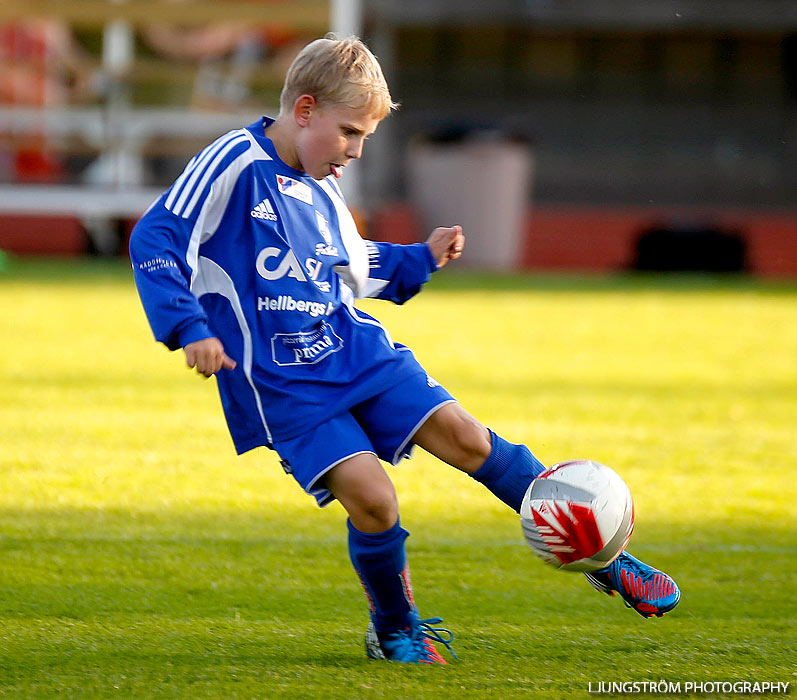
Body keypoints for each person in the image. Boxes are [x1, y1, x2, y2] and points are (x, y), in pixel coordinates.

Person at [129, 35, 680, 666]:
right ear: (304, 110)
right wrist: (189, 325)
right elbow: (157, 237)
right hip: (282, 383)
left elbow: (357, 266)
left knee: (469, 438)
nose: (354, 153)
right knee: (374, 499)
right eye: (349, 134)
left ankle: (603, 553)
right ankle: (394, 629)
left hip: (354, 348)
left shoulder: (321, 188)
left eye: (363, 138)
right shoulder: (231, 161)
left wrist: (422, 257)